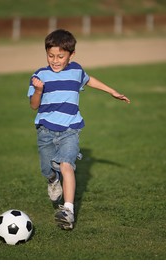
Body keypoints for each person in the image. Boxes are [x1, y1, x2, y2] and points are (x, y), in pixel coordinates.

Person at [27, 29, 130, 230]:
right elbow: (33, 105)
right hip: (45, 131)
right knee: (47, 170)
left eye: (60, 56)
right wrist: (39, 89)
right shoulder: (40, 75)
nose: (55, 60)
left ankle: (68, 210)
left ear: (71, 55)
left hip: (70, 130)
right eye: (50, 56)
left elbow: (89, 80)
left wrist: (112, 91)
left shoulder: (76, 71)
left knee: (66, 165)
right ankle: (52, 180)